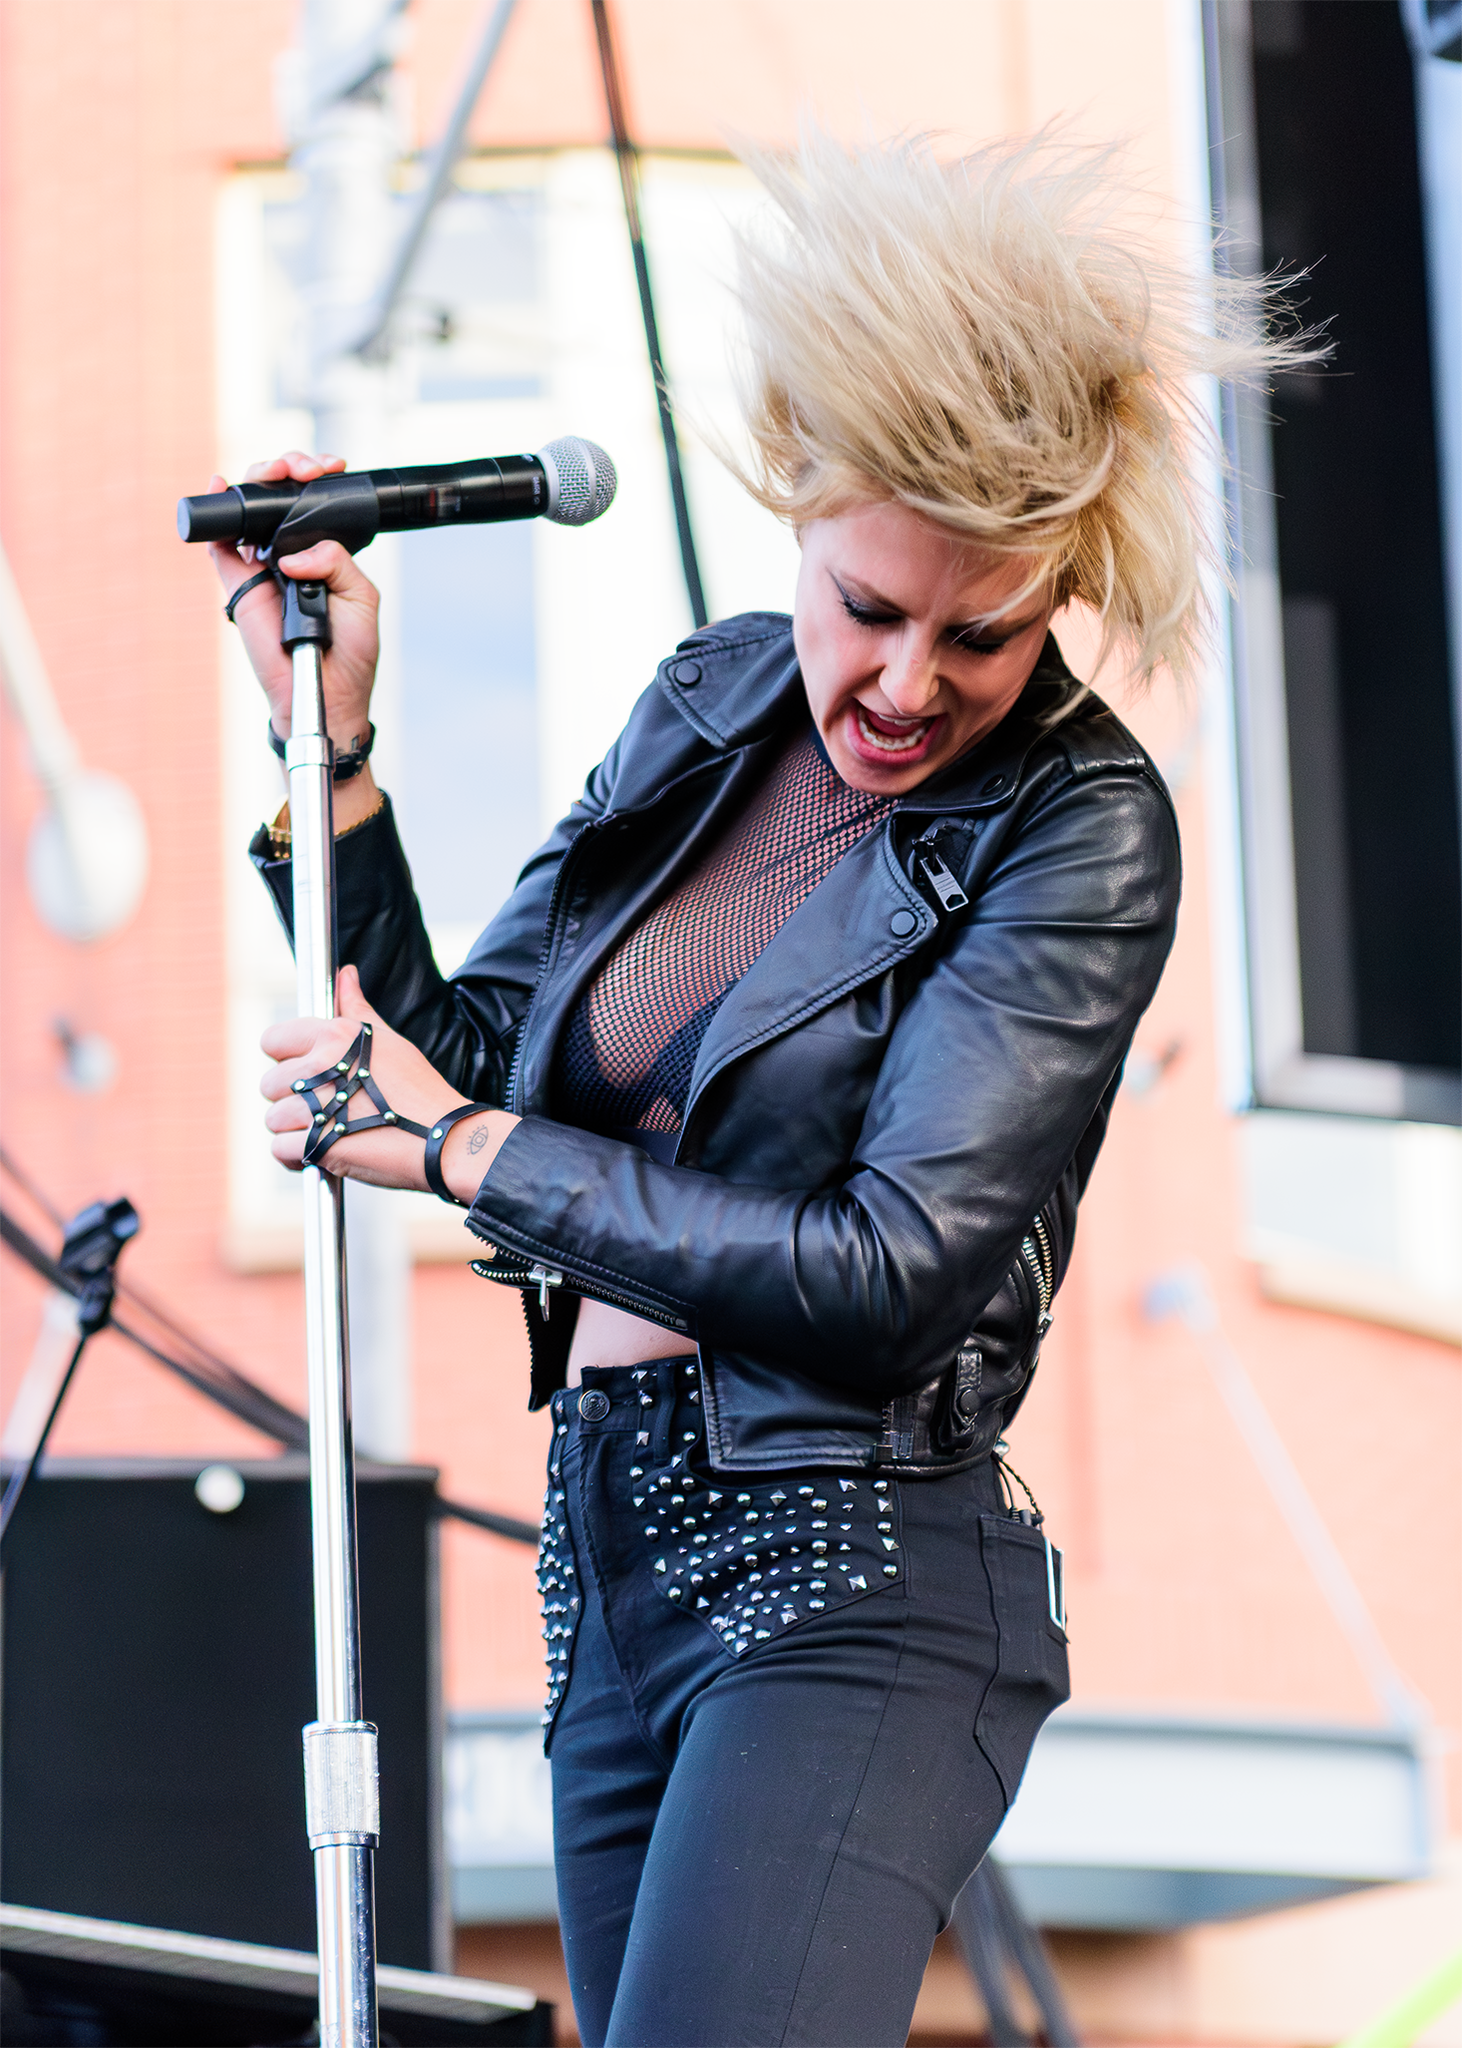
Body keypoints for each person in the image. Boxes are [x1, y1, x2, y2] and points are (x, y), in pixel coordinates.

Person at [212, 133, 1298, 2048]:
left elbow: (889, 1274)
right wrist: (338, 754)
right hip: (607, 1564)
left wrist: (460, 1153)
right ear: (797, 501)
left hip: (852, 1573)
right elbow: (478, 1059)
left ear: (1057, 591)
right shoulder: (706, 701)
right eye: (867, 606)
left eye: (981, 633)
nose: (905, 683)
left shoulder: (1076, 825)